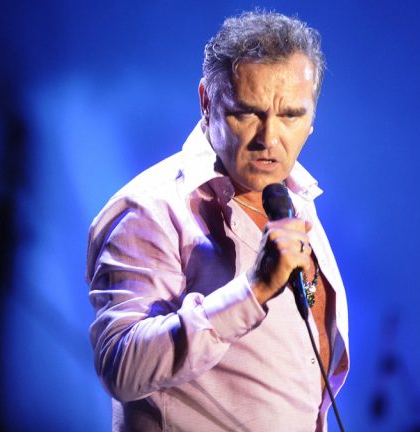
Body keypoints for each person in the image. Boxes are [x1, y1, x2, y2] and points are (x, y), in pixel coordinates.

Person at [86, 10, 349, 431]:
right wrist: (253, 290)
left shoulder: (297, 200)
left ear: (312, 118)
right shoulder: (152, 207)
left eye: (291, 115)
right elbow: (120, 367)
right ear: (207, 101)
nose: (269, 138)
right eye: (247, 112)